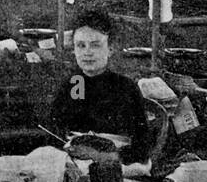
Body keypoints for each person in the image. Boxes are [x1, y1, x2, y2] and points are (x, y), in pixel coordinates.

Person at [49, 10, 156, 165]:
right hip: (76, 160)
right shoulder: (72, 85)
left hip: (117, 162)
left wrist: (109, 157)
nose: (87, 53)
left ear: (110, 49)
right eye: (81, 46)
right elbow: (54, 131)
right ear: (73, 49)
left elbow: (141, 145)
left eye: (95, 45)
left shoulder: (126, 87)